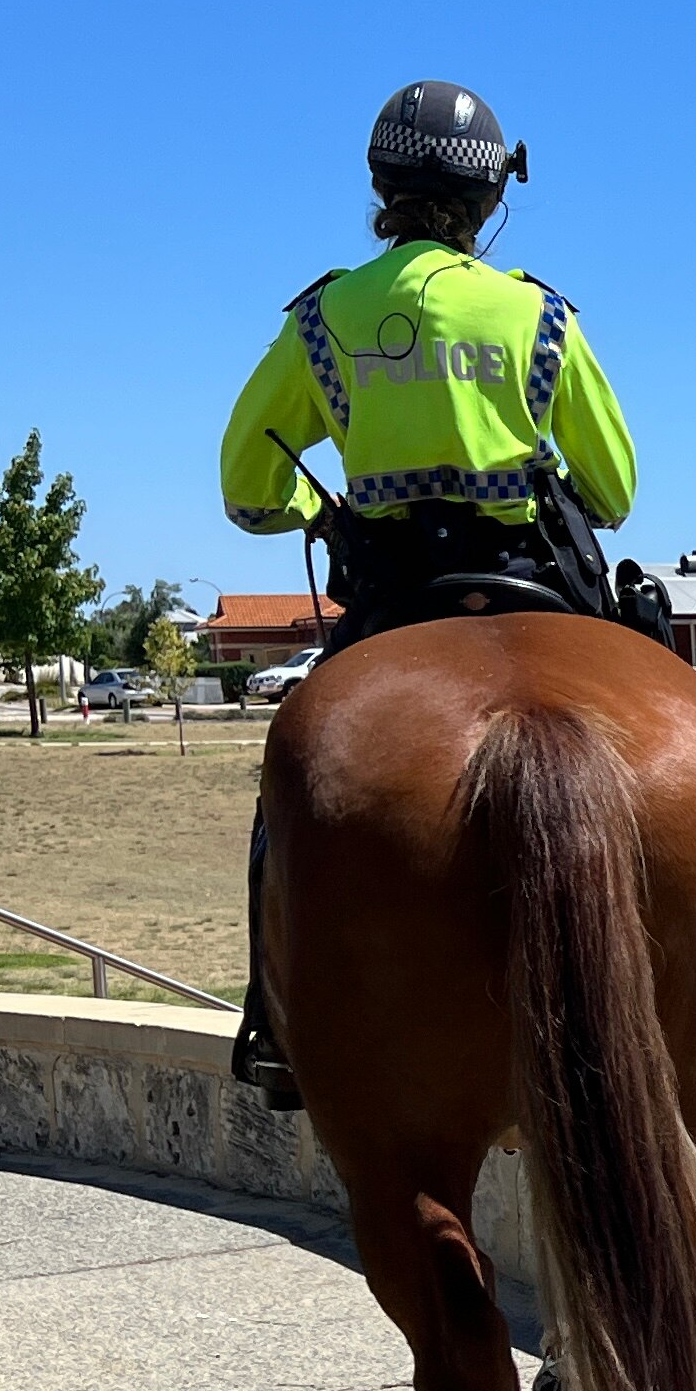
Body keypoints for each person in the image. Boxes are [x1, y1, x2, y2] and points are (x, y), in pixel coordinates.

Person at [218, 81, 648, 1100]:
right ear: (492, 196)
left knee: (284, 808)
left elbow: (246, 488)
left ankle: (272, 1018)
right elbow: (616, 491)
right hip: (539, 577)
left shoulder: (324, 316)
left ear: (381, 188)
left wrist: (308, 513)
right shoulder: (540, 314)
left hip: (391, 598)